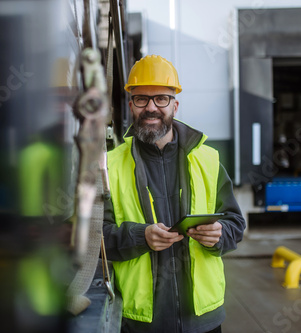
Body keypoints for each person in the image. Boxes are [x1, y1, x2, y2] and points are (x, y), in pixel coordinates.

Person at [103, 55, 246, 333]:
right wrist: (140, 237)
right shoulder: (109, 165)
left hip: (203, 320)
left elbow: (235, 225)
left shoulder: (208, 159)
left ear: (175, 105)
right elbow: (94, 240)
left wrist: (218, 234)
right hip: (139, 322)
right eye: (142, 99)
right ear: (131, 105)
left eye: (161, 99)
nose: (151, 108)